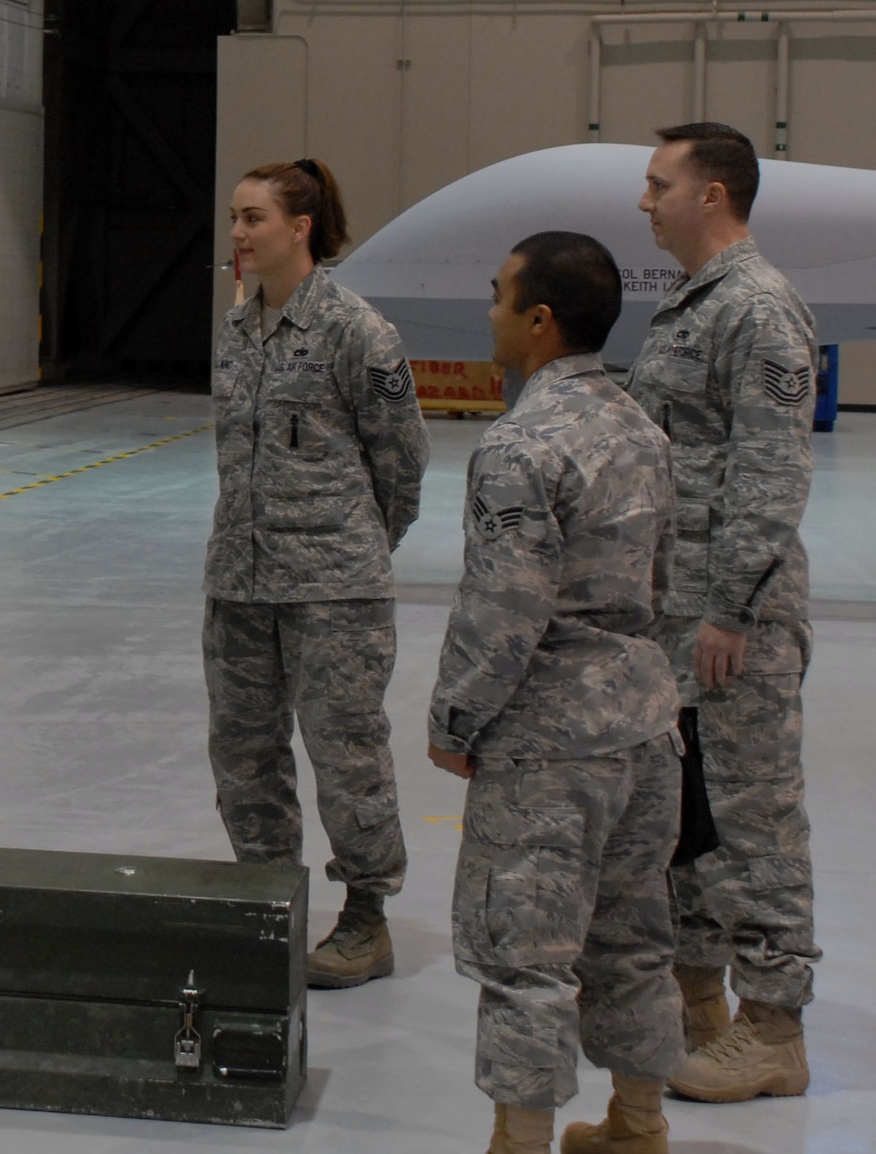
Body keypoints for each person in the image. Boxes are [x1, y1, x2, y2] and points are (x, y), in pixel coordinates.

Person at [429, 232, 685, 1154]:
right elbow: (657, 579)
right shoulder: (644, 429)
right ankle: (637, 1124)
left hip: (549, 740)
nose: (489, 313)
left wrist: (455, 717)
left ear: (538, 320)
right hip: (647, 728)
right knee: (633, 941)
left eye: (500, 297)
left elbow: (505, 607)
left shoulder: (519, 444)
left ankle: (521, 1141)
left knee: (526, 955)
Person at [626, 122, 820, 1105]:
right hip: (675, 618)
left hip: (726, 623)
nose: (643, 200)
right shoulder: (688, 305)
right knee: (687, 819)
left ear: (710, 194)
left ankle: (772, 1027)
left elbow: (771, 471)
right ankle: (698, 1000)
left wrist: (729, 609)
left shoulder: (757, 309)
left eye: (657, 183)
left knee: (753, 822)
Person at [204, 158, 430, 989]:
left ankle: (366, 919)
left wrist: (358, 550)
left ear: (300, 229)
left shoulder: (357, 331)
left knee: (346, 755)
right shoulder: (235, 329)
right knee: (243, 755)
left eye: (254, 218)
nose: (237, 233)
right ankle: (268, 904)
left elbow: (402, 463)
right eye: (234, 216)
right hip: (239, 581)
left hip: (333, 589)